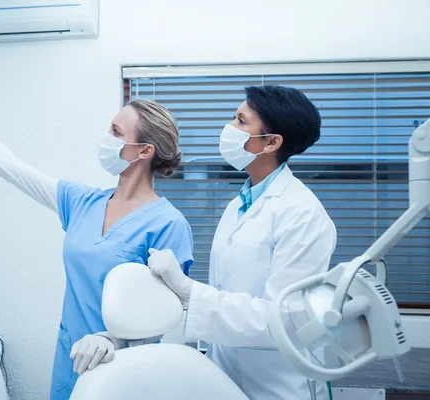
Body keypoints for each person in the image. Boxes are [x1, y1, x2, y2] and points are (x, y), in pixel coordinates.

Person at [0, 78, 194, 400]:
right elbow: (9, 168)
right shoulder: (82, 202)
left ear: (145, 151)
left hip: (127, 369)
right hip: (72, 358)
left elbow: (165, 320)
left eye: (116, 133)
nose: (106, 138)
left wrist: (115, 340)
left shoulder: (168, 224)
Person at [80, 85, 337, 399]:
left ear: (271, 142)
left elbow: (285, 320)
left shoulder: (303, 214)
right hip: (226, 379)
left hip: (280, 387)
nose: (229, 128)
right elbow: (226, 300)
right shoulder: (239, 205)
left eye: (241, 122)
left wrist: (189, 292)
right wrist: (117, 338)